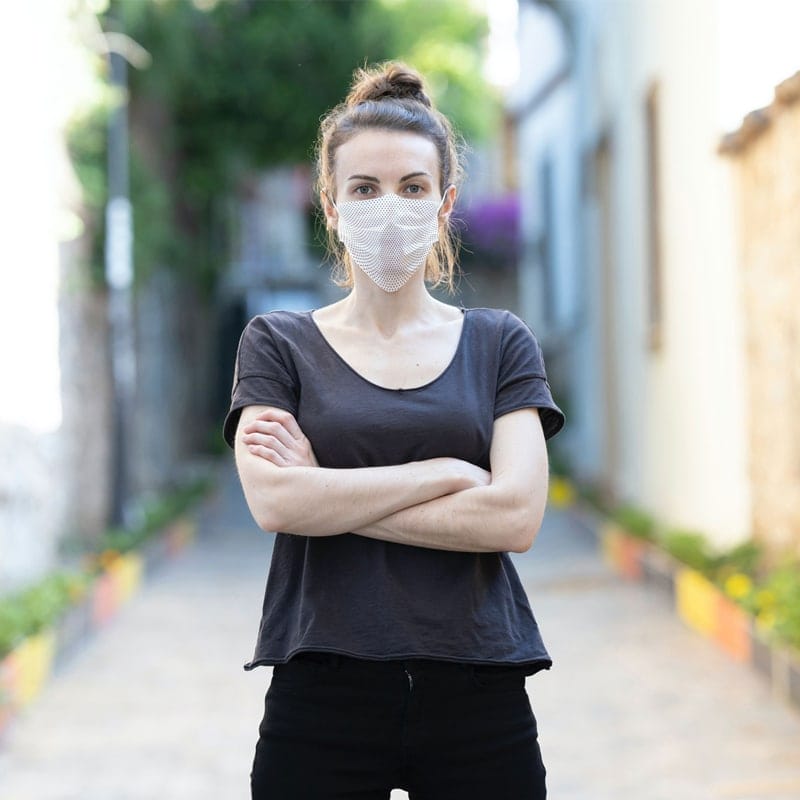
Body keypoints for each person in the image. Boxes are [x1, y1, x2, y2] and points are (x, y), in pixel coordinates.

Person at [223, 61, 565, 800]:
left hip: (479, 687)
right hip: (322, 690)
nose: (389, 207)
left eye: (412, 188)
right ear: (331, 205)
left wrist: (326, 492)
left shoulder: (500, 341)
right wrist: (444, 474)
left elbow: (515, 516)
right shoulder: (277, 343)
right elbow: (276, 503)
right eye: (364, 188)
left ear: (444, 204)